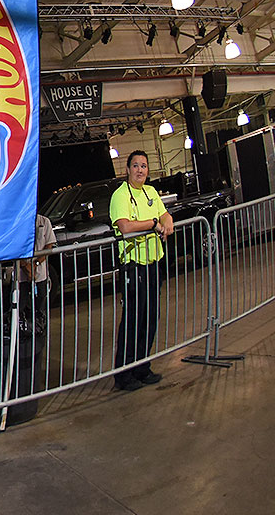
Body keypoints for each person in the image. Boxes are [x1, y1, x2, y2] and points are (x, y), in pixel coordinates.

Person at [109, 150, 174, 392]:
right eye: (135, 165)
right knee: (133, 321)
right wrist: (153, 224)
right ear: (127, 170)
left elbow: (163, 213)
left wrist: (167, 220)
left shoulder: (150, 192)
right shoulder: (120, 195)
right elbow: (125, 227)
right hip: (133, 266)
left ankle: (142, 368)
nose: (140, 170)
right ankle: (124, 375)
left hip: (154, 263)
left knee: (150, 319)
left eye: (144, 166)